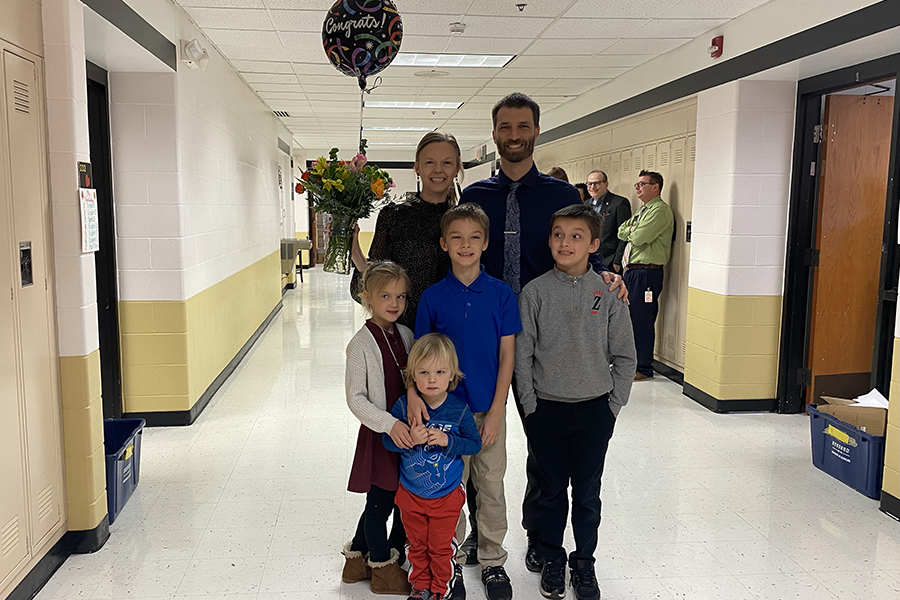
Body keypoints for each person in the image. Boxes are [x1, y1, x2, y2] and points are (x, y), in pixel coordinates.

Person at [445, 92, 628, 578]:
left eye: (522, 126)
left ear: (536, 132)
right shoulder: (477, 197)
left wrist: (608, 274)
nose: (514, 136)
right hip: (481, 340)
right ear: (495, 135)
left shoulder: (558, 197)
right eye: (505, 128)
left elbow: (579, 245)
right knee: (474, 439)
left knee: (541, 447)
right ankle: (474, 530)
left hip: (543, 336)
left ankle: (537, 536)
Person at [515, 205, 636, 600]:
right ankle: (552, 557)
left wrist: (613, 405)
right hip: (545, 410)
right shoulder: (534, 292)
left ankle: (583, 562)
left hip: (594, 411)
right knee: (550, 492)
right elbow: (523, 355)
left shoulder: (608, 291)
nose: (565, 243)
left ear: (595, 244)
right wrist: (530, 405)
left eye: (576, 236)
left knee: (586, 493)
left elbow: (625, 356)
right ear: (549, 240)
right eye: (558, 235)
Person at [413, 203, 521, 600]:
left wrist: (497, 410)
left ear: (486, 243)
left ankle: (492, 561)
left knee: (490, 485)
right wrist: (413, 395)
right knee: (447, 491)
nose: (465, 244)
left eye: (474, 237)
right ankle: (451, 563)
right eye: (456, 237)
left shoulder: (501, 295)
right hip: (445, 415)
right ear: (443, 243)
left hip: (487, 409)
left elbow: (507, 356)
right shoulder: (432, 298)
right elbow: (420, 358)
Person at [384, 333, 482, 600]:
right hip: (411, 495)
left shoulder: (458, 410)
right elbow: (387, 442)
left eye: (439, 372)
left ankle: (441, 589)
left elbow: (474, 444)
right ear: (413, 376)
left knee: (440, 548)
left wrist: (449, 440)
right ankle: (420, 586)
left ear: (451, 375)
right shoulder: (404, 406)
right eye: (424, 372)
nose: (431, 379)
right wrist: (407, 439)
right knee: (416, 546)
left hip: (446, 497)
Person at [343, 262, 416, 595]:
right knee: (380, 504)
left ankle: (355, 562)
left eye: (400, 296)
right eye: (385, 295)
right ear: (366, 297)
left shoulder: (405, 334)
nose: (394, 303)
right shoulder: (360, 344)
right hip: (381, 437)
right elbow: (356, 400)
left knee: (397, 500)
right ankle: (384, 570)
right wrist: (389, 425)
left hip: (406, 438)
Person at [350, 131, 464, 330]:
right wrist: (355, 253)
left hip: (448, 335)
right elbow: (374, 280)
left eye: (446, 163)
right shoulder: (393, 215)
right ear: (417, 167)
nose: (438, 170)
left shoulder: (462, 222)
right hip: (400, 333)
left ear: (456, 169)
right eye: (430, 162)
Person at [617, 170, 674, 381]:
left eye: (642, 184)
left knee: (641, 320)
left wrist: (634, 230)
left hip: (647, 273)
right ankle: (633, 363)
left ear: (655, 187)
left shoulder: (659, 211)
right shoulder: (643, 211)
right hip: (632, 270)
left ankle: (644, 367)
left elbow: (639, 237)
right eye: (637, 184)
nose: (637, 188)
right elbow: (621, 231)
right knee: (631, 320)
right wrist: (633, 228)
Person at [585, 170, 631, 273]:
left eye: (596, 183)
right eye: (589, 184)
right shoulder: (585, 205)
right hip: (587, 262)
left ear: (606, 184)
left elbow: (624, 235)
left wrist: (617, 262)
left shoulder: (619, 203)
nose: (592, 187)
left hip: (609, 261)